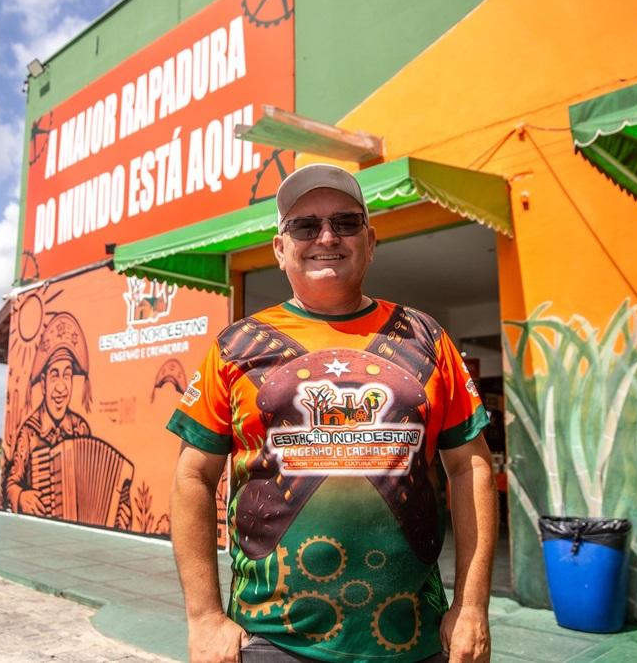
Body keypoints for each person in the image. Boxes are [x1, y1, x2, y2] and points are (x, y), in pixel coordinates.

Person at [167, 164, 498, 663]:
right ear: (280, 249)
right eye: (304, 226)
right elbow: (193, 475)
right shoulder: (236, 346)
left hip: (413, 639)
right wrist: (204, 617)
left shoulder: (426, 338)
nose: (326, 236)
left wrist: (472, 608)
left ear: (370, 240)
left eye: (345, 222)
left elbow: (469, 466)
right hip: (272, 640)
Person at [4, 312, 92, 518]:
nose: (61, 387)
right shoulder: (30, 432)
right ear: (43, 383)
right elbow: (11, 482)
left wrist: (120, 507)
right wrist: (21, 495)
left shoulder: (81, 428)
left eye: (67, 375)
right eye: (55, 376)